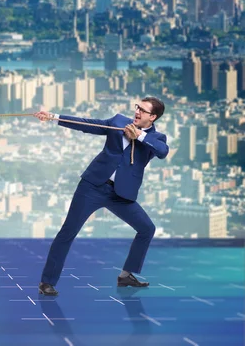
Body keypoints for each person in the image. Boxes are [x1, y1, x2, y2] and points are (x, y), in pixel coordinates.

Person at [33, 97, 169, 296]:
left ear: (153, 117)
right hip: (93, 186)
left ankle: (126, 275)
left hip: (121, 194)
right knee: (68, 232)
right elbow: (87, 124)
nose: (137, 111)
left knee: (147, 228)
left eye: (143, 110)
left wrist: (139, 135)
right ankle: (47, 282)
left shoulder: (157, 138)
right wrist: (53, 117)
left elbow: (162, 152)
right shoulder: (118, 122)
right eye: (137, 107)